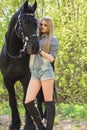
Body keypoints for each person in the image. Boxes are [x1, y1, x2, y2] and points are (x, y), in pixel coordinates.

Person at [25, 17, 58, 130]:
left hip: (46, 72)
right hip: (35, 72)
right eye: (41, 24)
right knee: (28, 101)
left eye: (45, 25)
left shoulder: (53, 40)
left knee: (49, 102)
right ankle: (40, 127)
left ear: (49, 26)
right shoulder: (35, 38)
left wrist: (40, 51)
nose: (42, 26)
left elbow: (52, 58)